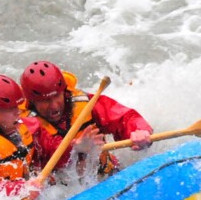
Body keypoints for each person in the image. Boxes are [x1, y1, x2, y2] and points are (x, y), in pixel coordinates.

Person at [20, 60, 152, 176]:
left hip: (108, 176)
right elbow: (47, 152)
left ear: (64, 91)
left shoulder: (84, 102)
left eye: (57, 96)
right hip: (61, 193)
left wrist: (139, 131)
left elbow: (124, 117)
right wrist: (75, 149)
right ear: (32, 101)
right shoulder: (23, 125)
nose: (54, 106)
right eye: (45, 101)